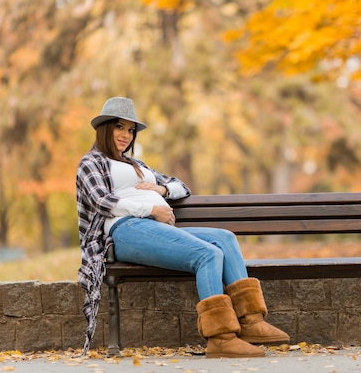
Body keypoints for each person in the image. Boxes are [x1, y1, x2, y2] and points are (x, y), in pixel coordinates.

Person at [76, 97, 289, 358]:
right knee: (208, 254)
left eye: (131, 130)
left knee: (224, 238)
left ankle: (251, 322)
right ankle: (220, 338)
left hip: (154, 230)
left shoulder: (137, 165)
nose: (126, 135)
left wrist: (161, 189)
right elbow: (102, 201)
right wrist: (153, 209)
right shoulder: (92, 162)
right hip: (126, 231)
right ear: (105, 128)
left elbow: (181, 186)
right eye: (120, 127)